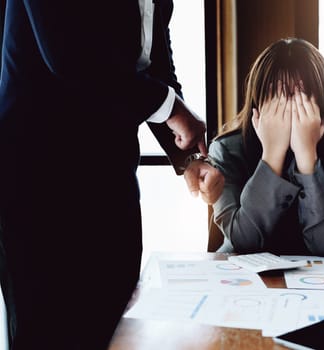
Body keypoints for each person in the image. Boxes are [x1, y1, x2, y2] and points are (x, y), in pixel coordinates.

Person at [0, 1, 223, 349]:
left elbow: (155, 65)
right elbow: (69, 55)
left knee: (115, 319)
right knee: (47, 329)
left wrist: (188, 155)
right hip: (37, 180)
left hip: (112, 174)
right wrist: (174, 109)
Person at [208, 38, 324, 256]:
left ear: (321, 101)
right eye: (277, 94)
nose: (289, 105)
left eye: (300, 94)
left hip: (317, 280)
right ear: (259, 101)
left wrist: (307, 157)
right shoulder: (227, 150)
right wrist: (272, 154)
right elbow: (244, 241)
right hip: (242, 277)